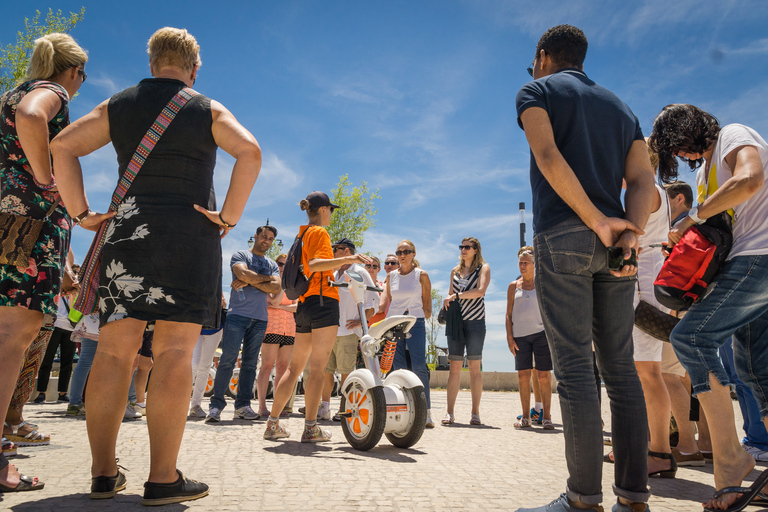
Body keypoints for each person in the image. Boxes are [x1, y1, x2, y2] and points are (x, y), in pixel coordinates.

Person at [51, 27, 261, 505]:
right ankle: (162, 478)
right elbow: (249, 151)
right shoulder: (206, 106)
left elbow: (62, 145)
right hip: (189, 237)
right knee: (172, 353)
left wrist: (82, 213)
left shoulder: (120, 104)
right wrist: (228, 216)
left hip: (128, 233)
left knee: (112, 353)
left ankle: (104, 474)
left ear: (152, 63)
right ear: (193, 67)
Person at [515, 25, 655, 512]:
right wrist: (630, 235)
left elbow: (546, 154)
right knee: (620, 370)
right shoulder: (622, 108)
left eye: (534, 61)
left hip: (565, 234)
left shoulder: (536, 91)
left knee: (574, 371)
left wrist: (593, 220)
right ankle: (634, 499)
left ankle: (582, 500)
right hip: (617, 242)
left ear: (544, 56)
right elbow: (643, 182)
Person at [649, 103, 768, 511]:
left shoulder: (734, 136)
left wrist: (695, 215)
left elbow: (751, 178)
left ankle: (731, 462)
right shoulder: (703, 173)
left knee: (693, 338)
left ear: (689, 131)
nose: (681, 157)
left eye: (678, 147)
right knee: (754, 367)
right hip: (744, 263)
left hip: (760, 258)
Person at [0, 32, 90, 493]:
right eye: (83, 75)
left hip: (10, 221)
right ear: (72, 71)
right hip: (30, 226)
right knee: (14, 337)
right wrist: (46, 179)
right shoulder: (49, 92)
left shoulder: (10, 90)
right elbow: (31, 116)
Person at [263, 191, 371, 442]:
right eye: (331, 210)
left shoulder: (301, 234)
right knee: (318, 369)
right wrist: (350, 258)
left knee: (294, 367)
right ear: (323, 210)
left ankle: (273, 424)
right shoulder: (320, 232)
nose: (331, 214)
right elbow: (315, 264)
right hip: (324, 303)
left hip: (306, 304)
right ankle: (311, 428)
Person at [206, 225, 280, 423]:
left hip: (260, 318)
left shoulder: (272, 264)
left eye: (271, 238)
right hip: (237, 315)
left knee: (249, 364)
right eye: (264, 236)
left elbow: (277, 286)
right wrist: (257, 280)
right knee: (227, 361)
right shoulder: (240, 255)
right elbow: (242, 274)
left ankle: (243, 406)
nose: (267, 240)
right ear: (255, 236)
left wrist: (250, 280)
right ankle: (215, 406)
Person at [320, 238, 377, 421]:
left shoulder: (360, 272)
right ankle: (325, 407)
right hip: (329, 331)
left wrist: (361, 322)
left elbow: (373, 302)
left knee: (346, 372)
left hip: (348, 333)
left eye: (335, 249)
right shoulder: (333, 272)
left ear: (347, 252)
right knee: (326, 372)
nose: (332, 252)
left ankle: (344, 408)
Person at [379, 240, 434, 428]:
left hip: (415, 321)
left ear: (413, 254)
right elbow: (390, 300)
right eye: (399, 251)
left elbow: (427, 304)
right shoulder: (391, 276)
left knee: (419, 366)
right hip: (394, 323)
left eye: (406, 251)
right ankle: (404, 410)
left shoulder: (422, 275)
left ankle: (425, 412)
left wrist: (421, 315)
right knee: (398, 367)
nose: (402, 254)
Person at [441, 237, 490, 426]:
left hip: (475, 322)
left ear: (476, 250)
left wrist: (457, 295)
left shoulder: (483, 268)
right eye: (461, 247)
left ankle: (475, 413)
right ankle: (449, 413)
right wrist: (448, 299)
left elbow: (480, 291)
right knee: (454, 368)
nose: (463, 250)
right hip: (456, 323)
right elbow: (450, 293)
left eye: (467, 247)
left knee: (474, 368)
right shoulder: (454, 271)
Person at [506, 246, 553, 430]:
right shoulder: (513, 286)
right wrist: (510, 337)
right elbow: (508, 315)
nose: (522, 266)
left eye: (526, 263)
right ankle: (525, 417)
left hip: (541, 335)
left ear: (535, 264)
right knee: (523, 375)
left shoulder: (543, 285)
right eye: (520, 263)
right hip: (520, 337)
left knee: (543, 376)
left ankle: (547, 417)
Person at [256, 253, 297, 418]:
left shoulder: (294, 284)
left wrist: (280, 306)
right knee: (266, 366)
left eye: (287, 266)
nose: (283, 267)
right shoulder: (271, 282)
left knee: (282, 368)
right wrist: (282, 285)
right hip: (271, 327)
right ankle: (262, 407)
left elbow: (297, 307)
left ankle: (277, 408)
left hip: (290, 329)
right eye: (280, 264)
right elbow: (272, 301)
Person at [34, 294, 77, 404]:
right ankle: (42, 392)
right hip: (54, 326)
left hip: (71, 327)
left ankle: (62, 393)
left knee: (67, 362)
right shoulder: (58, 289)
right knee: (47, 360)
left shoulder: (75, 292)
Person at [189, 295, 227, 418]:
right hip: (195, 327)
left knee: (205, 368)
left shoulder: (216, 282)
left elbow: (223, 304)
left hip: (214, 328)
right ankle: (183, 403)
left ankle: (196, 405)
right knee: (193, 366)